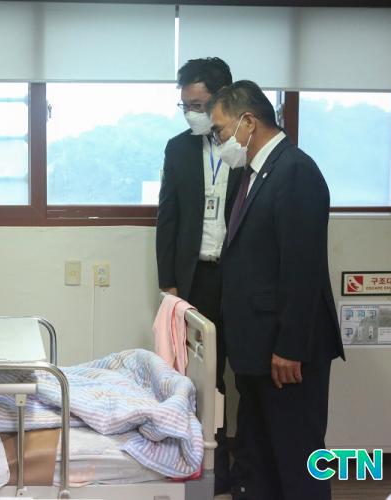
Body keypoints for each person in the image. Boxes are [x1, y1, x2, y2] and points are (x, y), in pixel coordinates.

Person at [208, 80, 345, 500]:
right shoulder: (251, 174)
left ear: (248, 121)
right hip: (256, 348)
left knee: (296, 458)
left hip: (286, 353)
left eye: (220, 129)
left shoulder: (295, 172)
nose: (219, 140)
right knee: (259, 454)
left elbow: (302, 270)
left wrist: (289, 347)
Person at [155, 57, 241, 494]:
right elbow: (167, 216)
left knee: (245, 373)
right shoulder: (178, 148)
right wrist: (168, 284)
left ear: (223, 99)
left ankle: (244, 468)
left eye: (199, 105)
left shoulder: (246, 144)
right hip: (196, 277)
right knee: (202, 377)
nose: (192, 113)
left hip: (240, 277)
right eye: (185, 105)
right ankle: (206, 465)